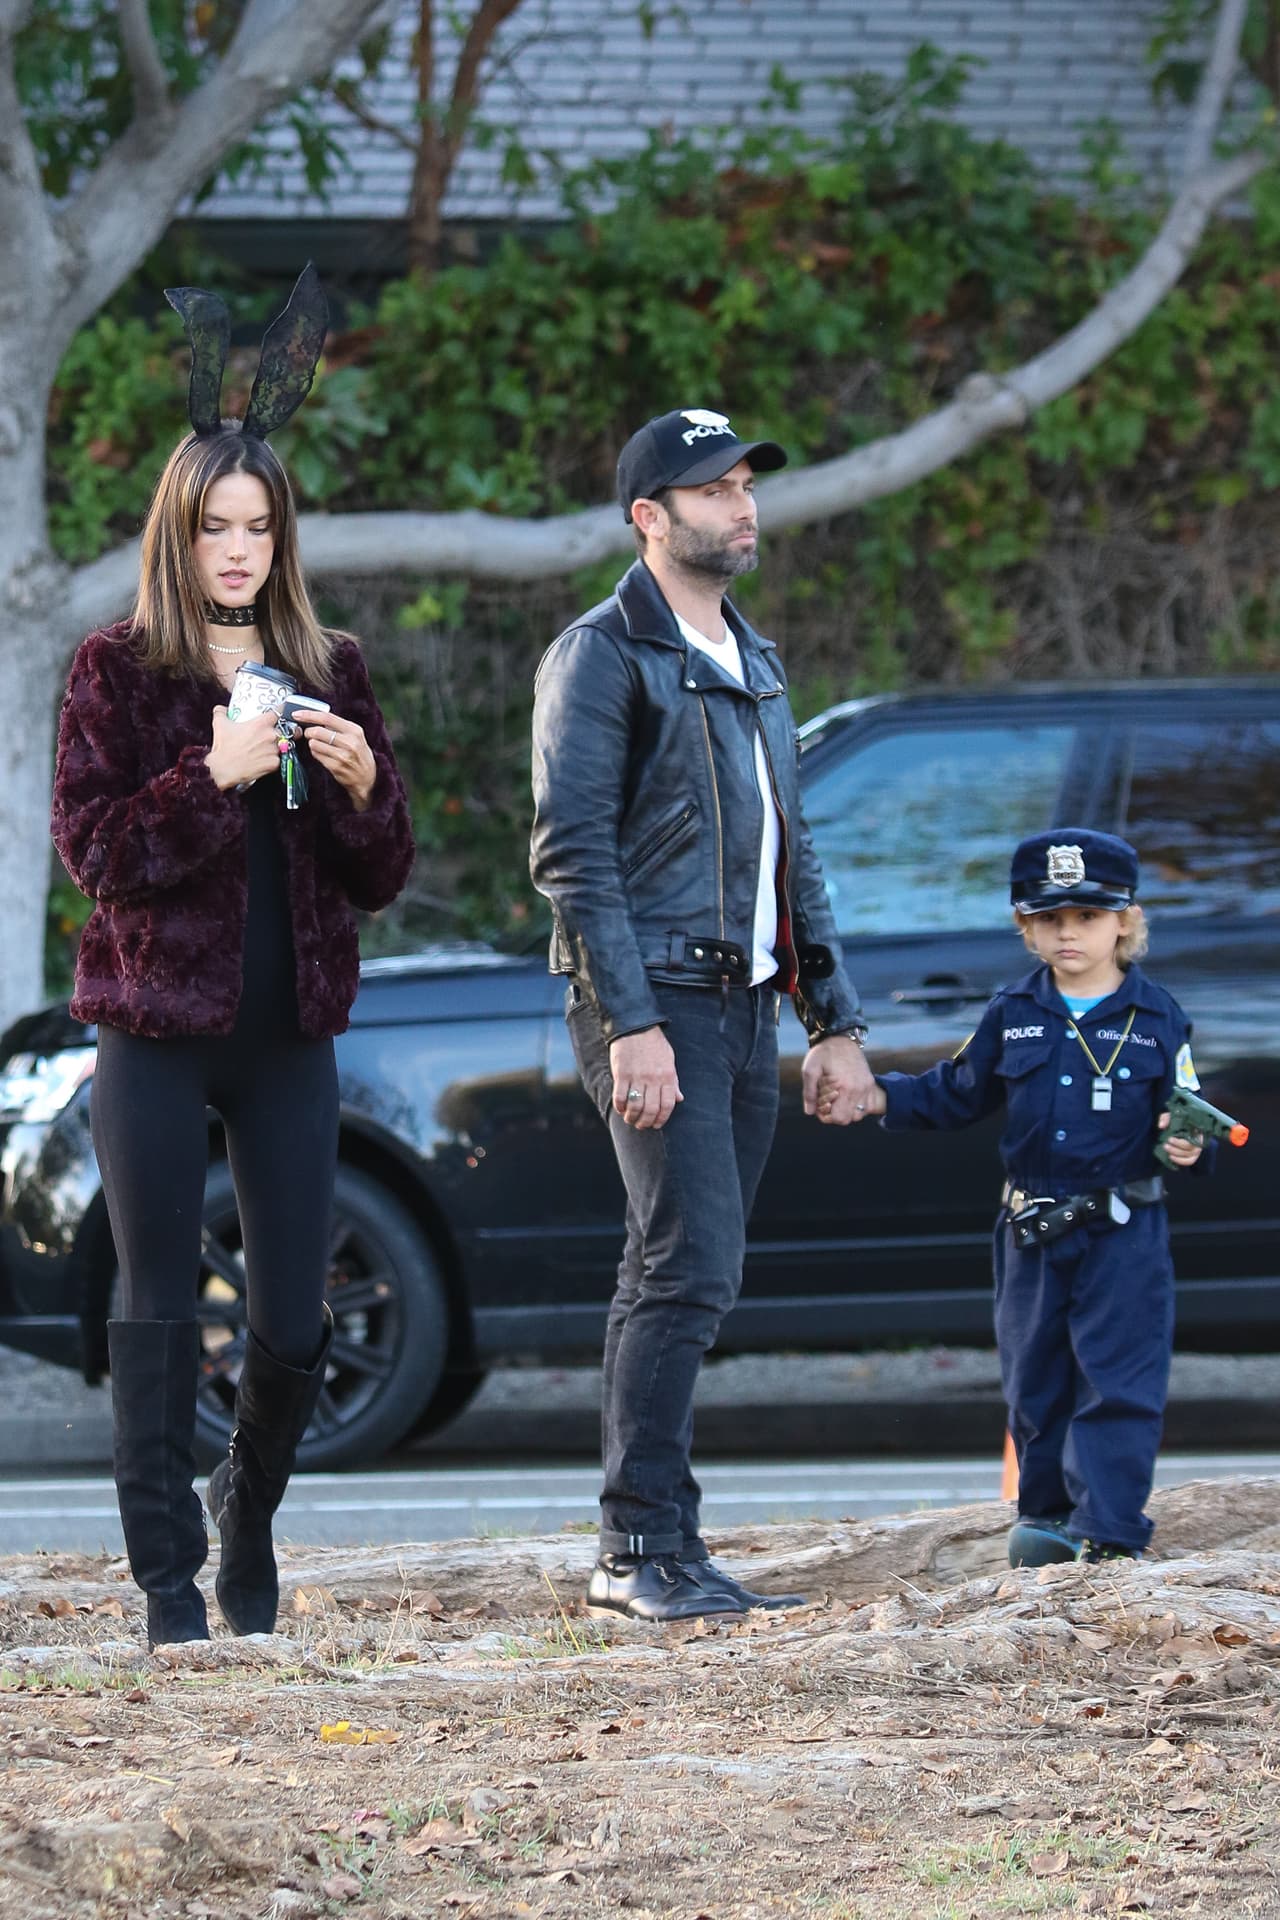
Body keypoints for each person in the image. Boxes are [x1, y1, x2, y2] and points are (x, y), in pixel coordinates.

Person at [50, 267, 414, 1648]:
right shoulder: (116, 669)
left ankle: (245, 1516)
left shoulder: (330, 662)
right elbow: (97, 855)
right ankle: (165, 1586)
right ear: (179, 533)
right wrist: (211, 775)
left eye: (260, 526)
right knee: (153, 1303)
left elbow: (379, 875)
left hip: (287, 1038)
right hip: (153, 1031)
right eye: (217, 527)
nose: (241, 549)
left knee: (295, 1316)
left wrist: (364, 787)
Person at [530, 407, 876, 1621]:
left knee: (673, 1264)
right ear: (648, 517)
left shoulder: (753, 659)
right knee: (690, 1266)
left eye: (745, 487)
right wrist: (630, 1023)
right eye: (714, 490)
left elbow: (791, 856)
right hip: (653, 997)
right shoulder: (601, 654)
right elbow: (572, 855)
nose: (742, 507)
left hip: (743, 1000)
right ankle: (634, 1550)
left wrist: (831, 1021)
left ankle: (662, 1543)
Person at [848, 830, 1209, 1568]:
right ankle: (1046, 1522)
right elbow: (955, 1093)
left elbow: (1187, 1110)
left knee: (1119, 1381)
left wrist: (1189, 1146)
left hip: (1123, 1226)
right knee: (1034, 1380)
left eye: (1087, 916)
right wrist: (876, 1094)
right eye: (1049, 919)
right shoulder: (1012, 1010)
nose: (1068, 932)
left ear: (1125, 922)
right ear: (1027, 928)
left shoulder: (1158, 1017)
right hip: (1032, 1227)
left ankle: (1109, 1533)